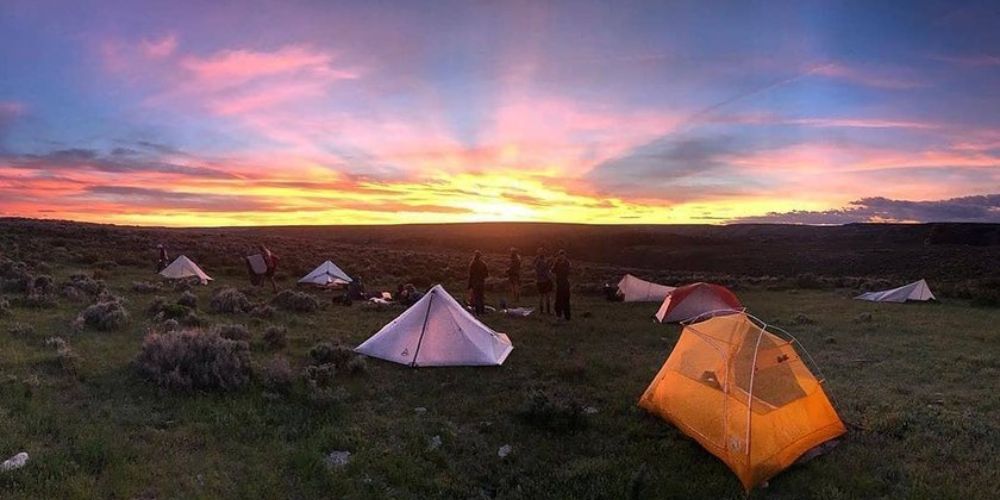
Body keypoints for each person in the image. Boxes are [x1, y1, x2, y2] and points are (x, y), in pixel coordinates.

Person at [551, 249, 571, 320]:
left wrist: (560, 266)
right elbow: (552, 270)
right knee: (558, 300)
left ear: (565, 256)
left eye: (563, 255)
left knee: (566, 300)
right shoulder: (557, 263)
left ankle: (567, 316)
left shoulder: (567, 263)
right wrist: (555, 263)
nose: (561, 256)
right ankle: (558, 315)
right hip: (559, 283)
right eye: (560, 255)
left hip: (565, 283)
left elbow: (567, 272)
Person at [468, 250, 489, 315]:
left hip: (475, 282)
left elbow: (471, 275)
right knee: (481, 297)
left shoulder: (472, 264)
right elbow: (486, 274)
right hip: (481, 282)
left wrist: (469, 284)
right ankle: (482, 311)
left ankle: (477, 311)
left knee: (476, 297)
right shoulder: (483, 264)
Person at [533, 247, 553, 315]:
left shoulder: (536, 262)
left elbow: (537, 269)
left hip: (539, 281)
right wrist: (550, 262)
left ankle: (541, 311)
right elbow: (546, 271)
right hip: (545, 281)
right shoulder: (543, 262)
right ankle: (548, 311)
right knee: (547, 296)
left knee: (541, 297)